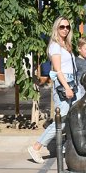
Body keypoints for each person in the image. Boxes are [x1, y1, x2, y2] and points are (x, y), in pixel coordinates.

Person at [28, 16, 79, 164]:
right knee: (61, 120)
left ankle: (65, 146)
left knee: (73, 116)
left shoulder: (66, 45)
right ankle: (36, 147)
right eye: (62, 27)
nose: (65, 29)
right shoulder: (55, 46)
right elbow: (58, 70)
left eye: (67, 27)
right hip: (64, 83)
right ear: (56, 28)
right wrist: (67, 87)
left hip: (71, 82)